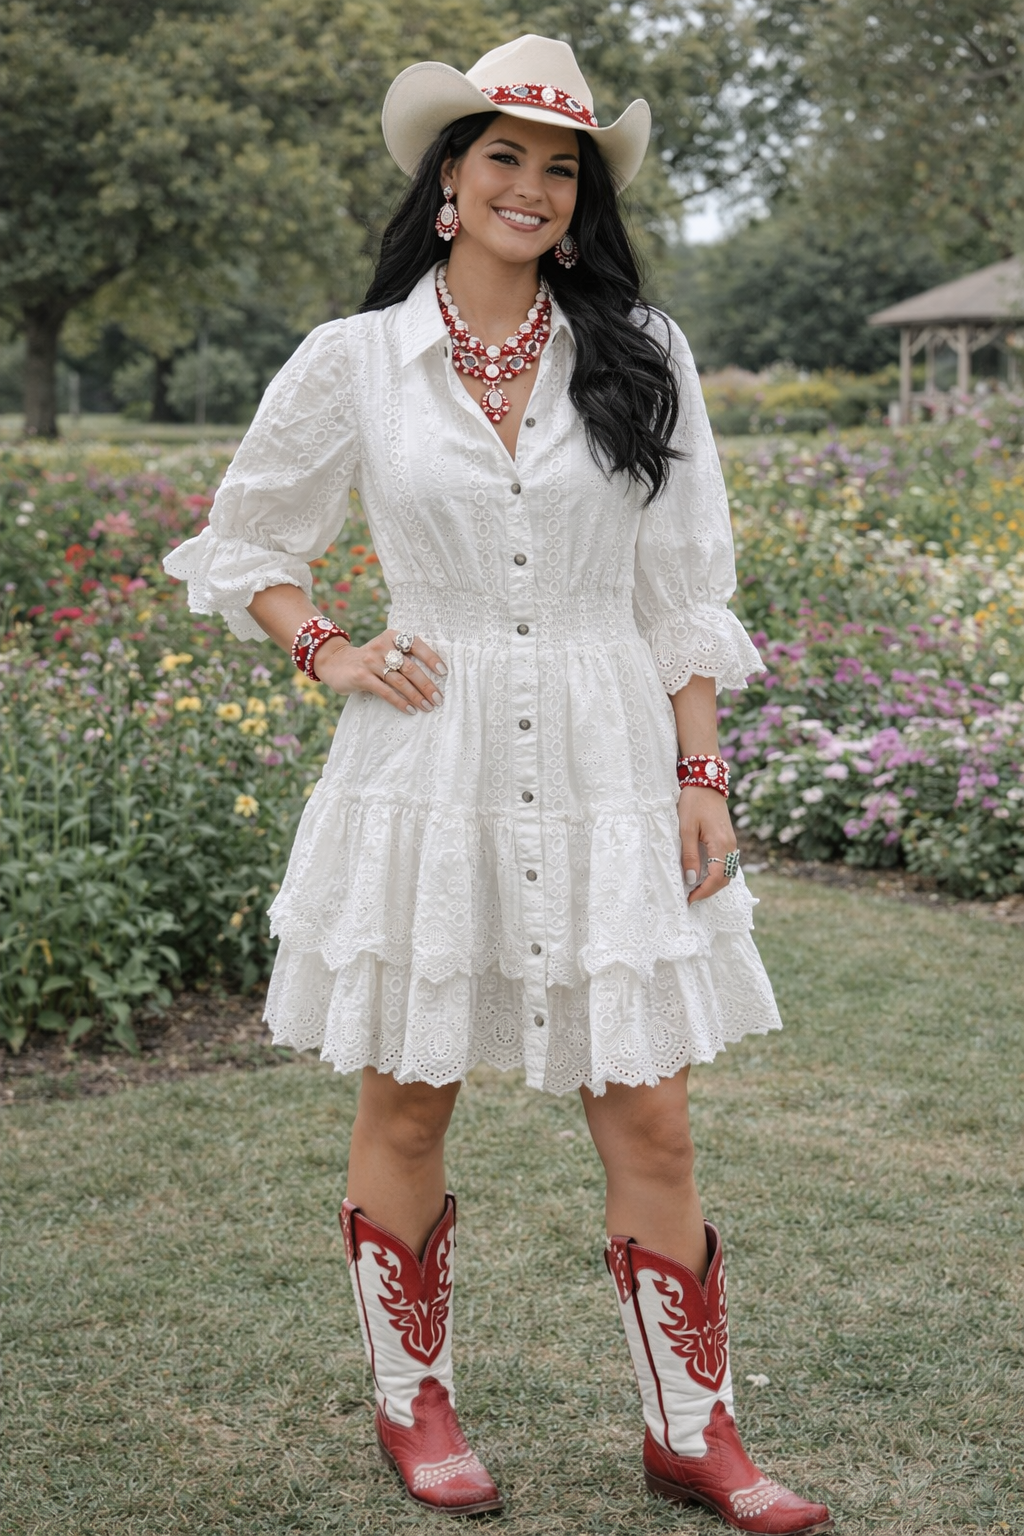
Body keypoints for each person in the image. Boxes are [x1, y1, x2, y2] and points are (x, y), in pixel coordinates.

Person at [164, 34, 833, 1535]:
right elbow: (249, 541)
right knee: (408, 1101)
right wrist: (326, 648)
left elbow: (680, 589)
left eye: (563, 169)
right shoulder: (353, 362)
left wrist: (701, 770)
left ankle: (693, 1432)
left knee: (653, 1114)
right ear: (449, 183)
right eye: (505, 159)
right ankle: (416, 1407)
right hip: (430, 764)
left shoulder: (640, 353)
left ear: (581, 205)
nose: (533, 187)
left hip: (609, 760)